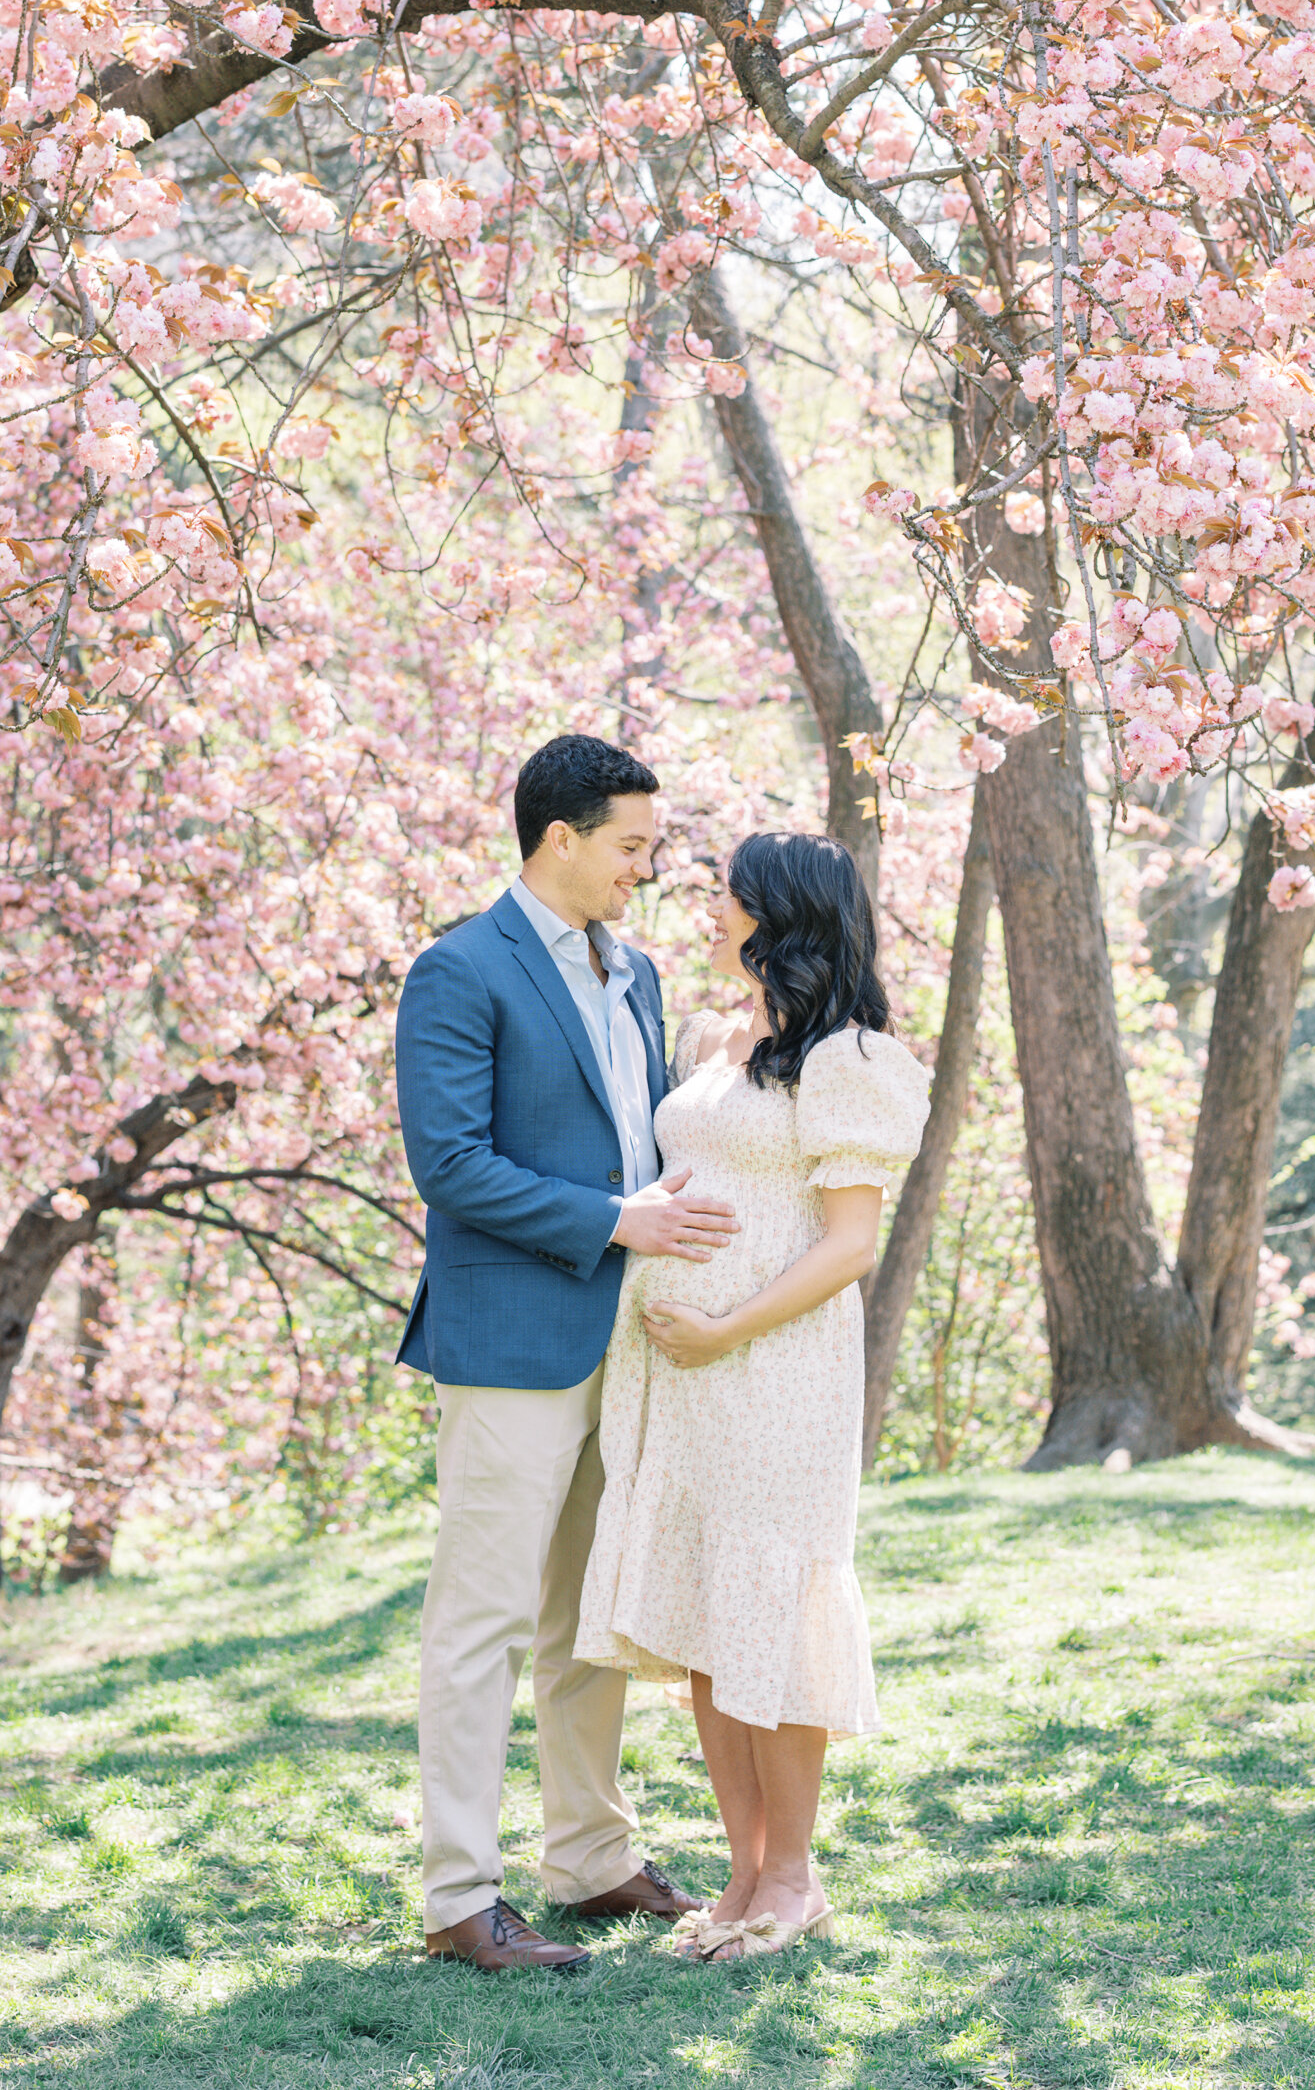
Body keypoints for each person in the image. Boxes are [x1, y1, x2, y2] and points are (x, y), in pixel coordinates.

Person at [394, 732, 736, 1974]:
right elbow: (452, 1166)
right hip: (510, 1344)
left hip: (627, 1337)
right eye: (632, 846)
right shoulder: (457, 971)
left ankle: (590, 1859)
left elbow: (627, 1143)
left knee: (593, 1617)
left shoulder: (633, 972)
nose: (645, 869)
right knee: (480, 1622)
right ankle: (457, 1900)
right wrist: (614, 1218)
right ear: (561, 840)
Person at [577, 830, 930, 1960]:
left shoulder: (851, 1058)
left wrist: (725, 1324)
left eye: (727, 899)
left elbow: (850, 1247)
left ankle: (794, 1875)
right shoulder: (719, 1038)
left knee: (771, 1616)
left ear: (780, 915)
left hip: (774, 1372)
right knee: (707, 1624)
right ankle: (739, 1877)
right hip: (676, 1379)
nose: (709, 911)